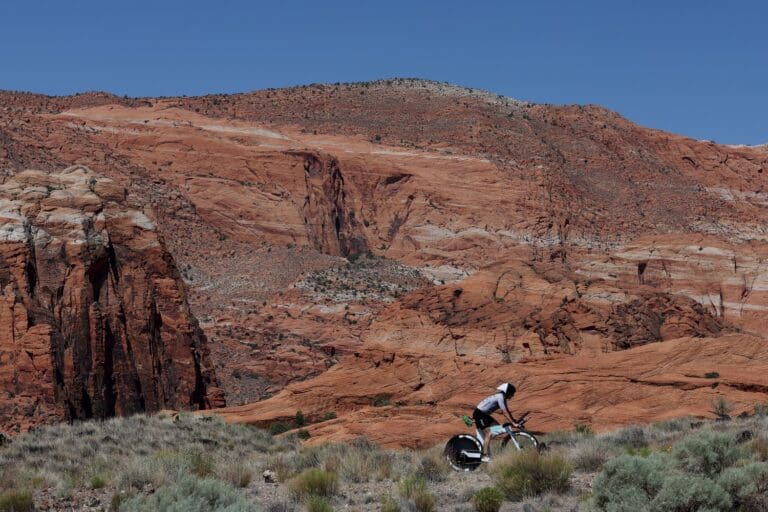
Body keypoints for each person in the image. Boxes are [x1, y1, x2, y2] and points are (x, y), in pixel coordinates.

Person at [473, 383, 518, 462]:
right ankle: (484, 455)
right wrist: (513, 423)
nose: (512, 396)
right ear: (507, 392)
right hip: (479, 414)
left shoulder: (501, 397)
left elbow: (507, 411)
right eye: (512, 394)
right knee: (489, 432)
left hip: (484, 415)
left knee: (498, 427)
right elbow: (505, 412)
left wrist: (513, 420)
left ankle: (484, 444)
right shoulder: (500, 397)